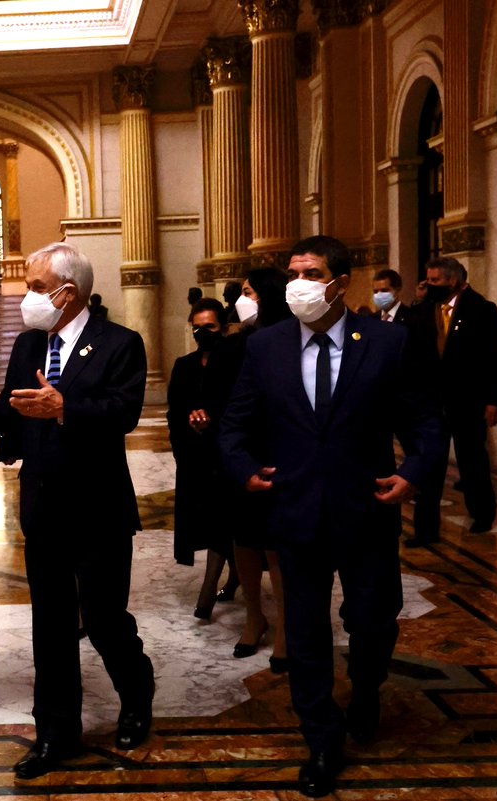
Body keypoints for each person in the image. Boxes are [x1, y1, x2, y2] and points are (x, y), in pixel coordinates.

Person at [219, 235, 442, 799]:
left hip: (367, 508)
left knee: (373, 620)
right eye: (293, 273)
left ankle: (366, 691)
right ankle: (320, 736)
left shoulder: (388, 343)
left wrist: (413, 472)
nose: (299, 284)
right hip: (295, 511)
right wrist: (243, 467)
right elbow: (235, 424)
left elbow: (425, 422)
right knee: (305, 628)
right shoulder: (265, 346)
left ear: (340, 284)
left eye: (311, 273)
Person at [0, 242, 155, 780]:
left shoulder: (120, 343)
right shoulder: (28, 345)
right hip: (43, 505)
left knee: (105, 619)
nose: (29, 297)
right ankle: (55, 732)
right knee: (51, 623)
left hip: (99, 506)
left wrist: (67, 408)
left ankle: (136, 695)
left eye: (38, 287)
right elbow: (16, 409)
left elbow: (124, 412)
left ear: (69, 292)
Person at [209, 268, 291, 673]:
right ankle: (254, 617)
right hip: (239, 452)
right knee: (243, 538)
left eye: (249, 292)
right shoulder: (234, 344)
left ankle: (286, 629)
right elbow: (217, 395)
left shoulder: (288, 338)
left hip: (277, 449)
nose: (242, 300)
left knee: (276, 543)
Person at [407, 256, 497, 545]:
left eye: (435, 280)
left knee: (472, 460)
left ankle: (482, 514)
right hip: (431, 403)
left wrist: (494, 400)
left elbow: (494, 356)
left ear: (453, 280)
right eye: (427, 279)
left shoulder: (482, 309)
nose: (429, 284)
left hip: (468, 401)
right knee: (429, 465)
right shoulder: (425, 309)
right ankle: (426, 530)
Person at [167, 297, 238, 621]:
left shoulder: (236, 362)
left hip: (226, 455)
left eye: (209, 327)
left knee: (224, 520)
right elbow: (175, 411)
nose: (202, 333)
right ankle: (234, 576)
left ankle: (207, 592)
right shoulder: (184, 364)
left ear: (222, 328)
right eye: (197, 328)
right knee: (208, 520)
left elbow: (240, 407)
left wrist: (213, 420)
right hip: (195, 455)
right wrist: (190, 422)